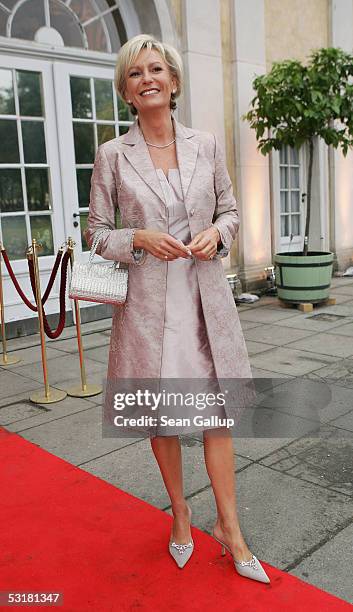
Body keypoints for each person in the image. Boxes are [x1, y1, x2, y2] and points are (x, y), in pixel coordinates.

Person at [84, 34, 270, 584]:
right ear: (126, 90)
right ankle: (181, 512)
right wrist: (136, 237)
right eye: (136, 72)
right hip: (146, 309)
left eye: (157, 69)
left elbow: (231, 211)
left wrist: (218, 231)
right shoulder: (112, 155)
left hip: (204, 303)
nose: (148, 78)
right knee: (161, 416)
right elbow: (95, 235)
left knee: (218, 416)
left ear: (175, 81)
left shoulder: (206, 145)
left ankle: (230, 527)